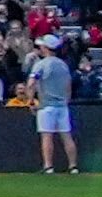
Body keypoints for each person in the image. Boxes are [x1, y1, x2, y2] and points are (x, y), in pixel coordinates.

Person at [29, 42, 78, 177]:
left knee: (46, 136)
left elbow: (31, 83)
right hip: (62, 106)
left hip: (46, 106)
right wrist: (66, 100)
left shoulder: (41, 64)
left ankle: (48, 166)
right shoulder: (63, 65)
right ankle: (73, 166)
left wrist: (31, 100)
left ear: (45, 48)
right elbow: (68, 85)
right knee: (66, 136)